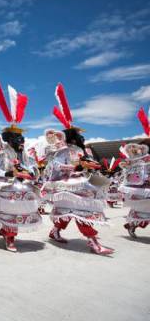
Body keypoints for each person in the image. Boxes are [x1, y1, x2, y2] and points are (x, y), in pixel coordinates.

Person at [42, 83, 113, 255]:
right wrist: (77, 166)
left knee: (72, 212)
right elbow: (56, 167)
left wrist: (92, 166)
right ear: (72, 137)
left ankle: (55, 231)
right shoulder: (63, 150)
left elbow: (86, 165)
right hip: (69, 184)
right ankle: (93, 241)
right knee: (82, 211)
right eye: (78, 134)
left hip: (82, 181)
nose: (82, 137)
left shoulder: (82, 150)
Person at [0, 81, 42, 252]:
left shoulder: (26, 155)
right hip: (7, 186)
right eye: (18, 138)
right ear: (9, 140)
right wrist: (11, 172)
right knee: (11, 206)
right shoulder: (0, 154)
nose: (22, 141)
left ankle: (8, 232)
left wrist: (30, 173)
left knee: (22, 206)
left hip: (23, 185)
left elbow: (33, 167)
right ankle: (9, 237)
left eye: (22, 138)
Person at [119, 107, 150, 238]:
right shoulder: (140, 155)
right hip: (143, 185)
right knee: (143, 210)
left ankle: (132, 224)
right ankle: (132, 224)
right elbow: (131, 166)